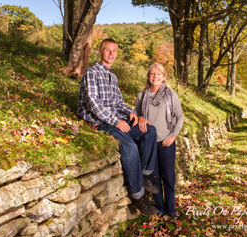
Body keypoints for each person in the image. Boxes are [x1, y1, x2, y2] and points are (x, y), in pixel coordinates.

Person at [77, 38, 159, 215]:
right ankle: (138, 196)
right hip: (99, 121)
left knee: (149, 131)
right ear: (100, 52)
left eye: (114, 50)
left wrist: (132, 113)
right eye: (107, 50)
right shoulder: (92, 73)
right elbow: (93, 103)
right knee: (129, 146)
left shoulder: (112, 76)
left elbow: (118, 103)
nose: (111, 54)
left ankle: (145, 176)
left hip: (116, 117)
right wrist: (116, 121)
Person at [135, 63, 184, 218]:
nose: (155, 76)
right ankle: (160, 208)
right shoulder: (141, 96)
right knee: (154, 178)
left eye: (158, 73)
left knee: (169, 177)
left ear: (163, 77)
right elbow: (136, 118)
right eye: (152, 73)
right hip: (149, 145)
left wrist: (173, 136)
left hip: (166, 142)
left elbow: (180, 117)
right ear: (148, 76)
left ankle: (171, 209)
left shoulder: (170, 94)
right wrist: (140, 116)